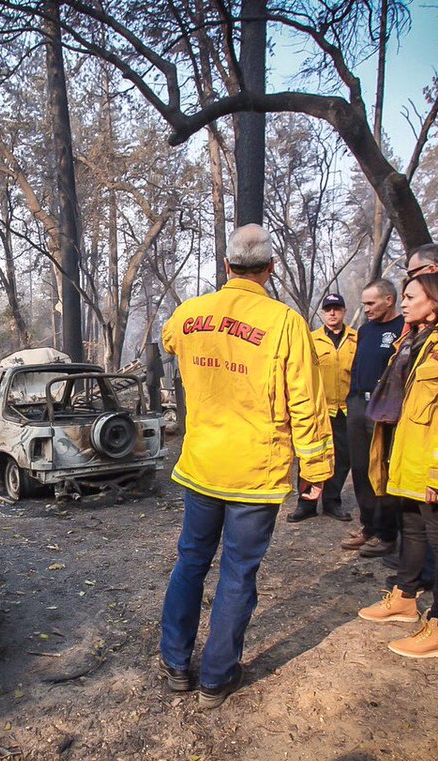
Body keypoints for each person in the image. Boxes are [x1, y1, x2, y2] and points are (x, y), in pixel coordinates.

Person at [157, 224, 333, 709]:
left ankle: (175, 661)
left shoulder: (191, 313)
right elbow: (307, 402)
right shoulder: (286, 323)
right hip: (256, 470)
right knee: (238, 572)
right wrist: (315, 468)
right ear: (271, 269)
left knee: (191, 560)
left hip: (203, 464)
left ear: (226, 265)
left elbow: (168, 339)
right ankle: (216, 677)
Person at [356, 272, 438, 658]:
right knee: (411, 527)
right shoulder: (413, 342)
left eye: (412, 297)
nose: (405, 303)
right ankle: (405, 598)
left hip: (434, 464)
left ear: (436, 301)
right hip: (408, 459)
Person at [342, 279, 405, 557]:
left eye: (371, 303)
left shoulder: (403, 328)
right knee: (360, 468)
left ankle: (387, 534)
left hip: (384, 408)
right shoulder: (365, 330)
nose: (365, 308)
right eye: (364, 303)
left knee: (382, 469)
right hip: (357, 404)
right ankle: (368, 526)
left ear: (389, 300)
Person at [289, 292, 356, 523]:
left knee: (342, 458)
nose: (332, 312)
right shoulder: (310, 339)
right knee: (310, 457)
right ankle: (306, 504)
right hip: (318, 409)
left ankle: (332, 502)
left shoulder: (356, 339)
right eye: (328, 309)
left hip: (345, 410)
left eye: (337, 308)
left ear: (344, 311)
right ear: (322, 312)